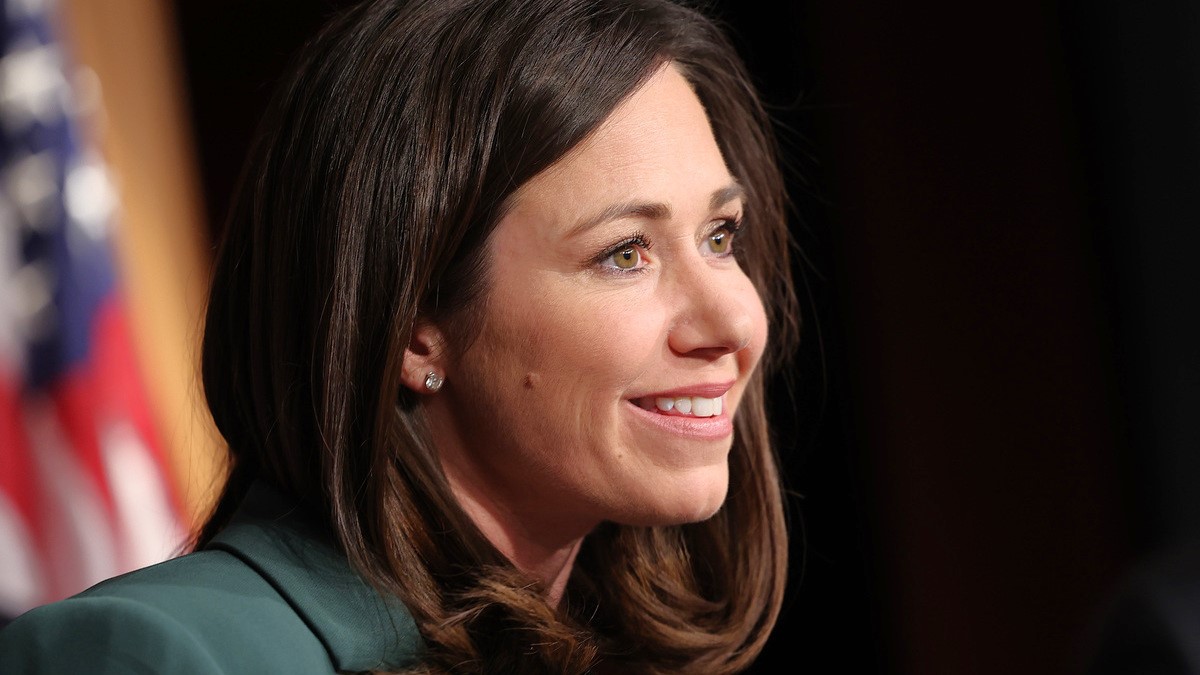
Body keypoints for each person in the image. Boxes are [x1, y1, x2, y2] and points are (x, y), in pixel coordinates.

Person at [0, 0, 799, 672]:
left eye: (720, 237)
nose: (734, 323)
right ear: (415, 324)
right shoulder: (153, 654)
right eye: (626, 253)